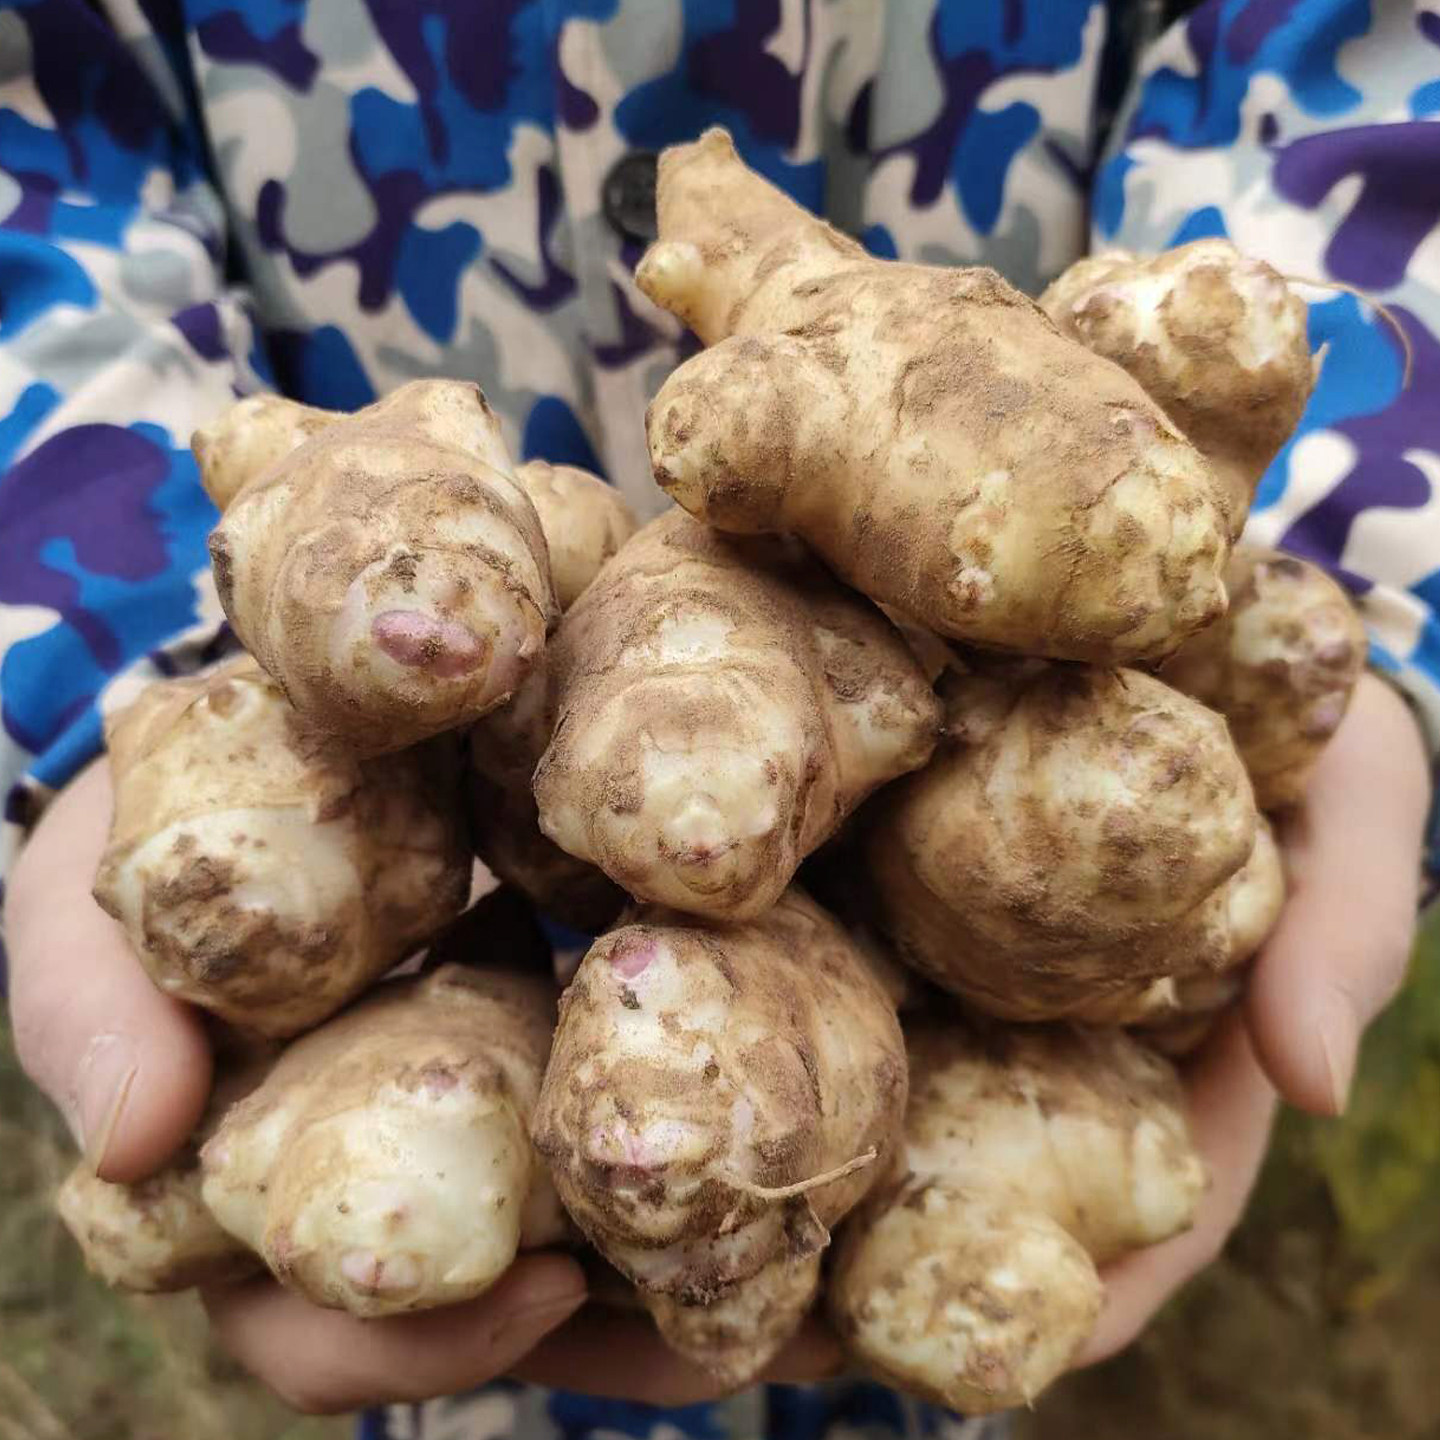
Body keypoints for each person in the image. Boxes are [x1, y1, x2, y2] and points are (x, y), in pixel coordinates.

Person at [1, 0, 1435, 1436]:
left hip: (951, 865)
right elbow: (41, 151)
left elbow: (1361, 60)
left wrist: (1367, 552)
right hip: (451, 925)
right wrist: (104, 647)